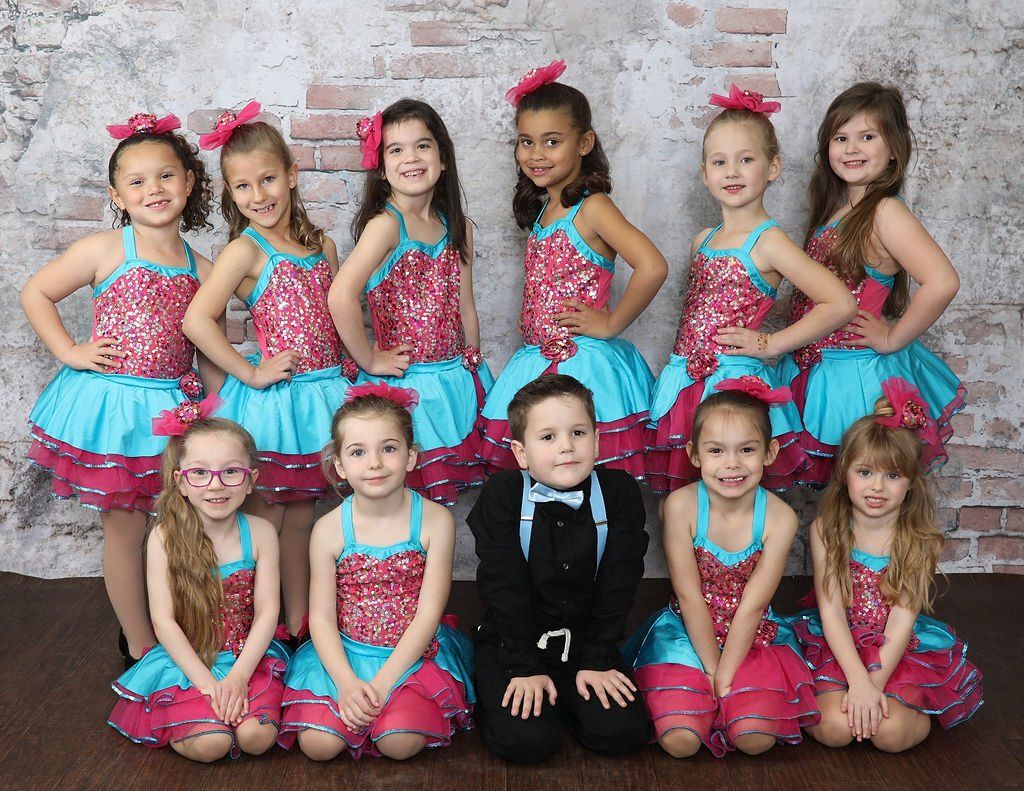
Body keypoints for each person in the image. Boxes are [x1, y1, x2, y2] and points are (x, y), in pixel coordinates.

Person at [22, 111, 215, 667]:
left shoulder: (203, 268)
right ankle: (140, 641)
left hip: (173, 412)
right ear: (117, 194)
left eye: (165, 176)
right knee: (125, 529)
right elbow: (37, 292)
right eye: (137, 181)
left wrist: (220, 413)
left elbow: (209, 350)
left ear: (189, 181)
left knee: (186, 526)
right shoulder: (106, 249)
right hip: (114, 408)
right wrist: (70, 351)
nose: (153, 189)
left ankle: (184, 625)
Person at [184, 101, 351, 640]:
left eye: (268, 180)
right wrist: (251, 373)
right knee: (266, 519)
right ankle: (256, 624)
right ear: (230, 194)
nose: (259, 196)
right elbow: (197, 320)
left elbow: (340, 311)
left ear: (292, 175)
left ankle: (301, 625)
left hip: (324, 393)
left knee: (306, 517)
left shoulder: (320, 245)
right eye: (242, 187)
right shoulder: (243, 250)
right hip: (278, 401)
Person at [646, 86, 855, 494]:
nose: (732, 172)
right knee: (692, 492)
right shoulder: (702, 239)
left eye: (746, 160)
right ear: (705, 173)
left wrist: (772, 343)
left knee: (736, 485)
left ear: (773, 167)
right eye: (720, 162)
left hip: (735, 383)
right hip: (686, 380)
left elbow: (840, 302)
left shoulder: (769, 241)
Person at [477, 60, 668, 479]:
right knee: (543, 473)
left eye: (551, 141)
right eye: (526, 141)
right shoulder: (546, 208)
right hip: (535, 360)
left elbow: (652, 265)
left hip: (583, 363)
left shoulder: (593, 206)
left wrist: (612, 322)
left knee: (584, 470)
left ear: (584, 143)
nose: (535, 154)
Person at [776, 82, 965, 485]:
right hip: (816, 370)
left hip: (855, 376)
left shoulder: (885, 211)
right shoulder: (838, 211)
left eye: (867, 137)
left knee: (865, 489)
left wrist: (892, 337)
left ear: (894, 148)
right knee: (840, 497)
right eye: (841, 138)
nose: (852, 148)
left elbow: (943, 281)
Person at [624, 378, 819, 757]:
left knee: (755, 741)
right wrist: (710, 669)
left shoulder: (779, 519)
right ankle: (695, 697)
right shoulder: (681, 507)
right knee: (680, 743)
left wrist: (725, 675)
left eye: (746, 449)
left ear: (770, 452)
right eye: (716, 451)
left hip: (751, 636)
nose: (731, 464)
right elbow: (689, 593)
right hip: (687, 631)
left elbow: (752, 605)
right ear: (694, 455)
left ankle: (737, 700)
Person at [279, 382, 474, 760]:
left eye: (388, 448)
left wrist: (384, 684)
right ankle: (350, 701)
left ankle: (391, 709)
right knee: (319, 746)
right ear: (339, 466)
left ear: (411, 456)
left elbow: (428, 614)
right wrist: (347, 684)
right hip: (345, 653)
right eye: (358, 452)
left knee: (399, 744)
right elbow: (320, 617)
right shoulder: (329, 529)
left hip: (411, 654)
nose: (374, 463)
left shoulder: (435, 521)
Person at [789, 379, 983, 752]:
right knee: (834, 730)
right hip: (839, 640)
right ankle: (853, 702)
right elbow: (831, 614)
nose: (876, 487)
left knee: (891, 737)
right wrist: (856, 682)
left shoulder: (917, 540)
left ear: (910, 483)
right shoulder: (826, 530)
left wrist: (871, 688)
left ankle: (911, 707)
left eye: (892, 476)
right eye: (865, 472)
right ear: (844, 472)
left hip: (896, 646)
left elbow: (901, 620)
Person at [470, 373, 651, 763]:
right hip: (514, 644)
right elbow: (504, 587)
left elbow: (619, 584)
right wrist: (523, 666)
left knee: (623, 732)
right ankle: (498, 692)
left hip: (587, 642)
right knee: (526, 742)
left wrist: (598, 658)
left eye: (578, 433)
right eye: (548, 437)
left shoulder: (618, 493)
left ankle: (571, 697)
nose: (567, 447)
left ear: (598, 440)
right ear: (521, 454)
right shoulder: (503, 495)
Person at [329, 99, 492, 506]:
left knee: (439, 498)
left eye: (422, 146)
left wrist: (472, 362)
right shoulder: (386, 225)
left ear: (443, 158)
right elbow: (340, 295)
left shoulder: (458, 227)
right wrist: (368, 359)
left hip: (453, 379)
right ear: (382, 169)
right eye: (396, 150)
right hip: (407, 385)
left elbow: (464, 303)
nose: (411, 158)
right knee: (399, 492)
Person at [108, 408, 288, 762]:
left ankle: (229, 710)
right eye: (201, 473)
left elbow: (268, 611)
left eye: (231, 472)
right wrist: (209, 686)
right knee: (212, 745)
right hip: (189, 662)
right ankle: (193, 721)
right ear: (181, 482)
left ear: (251, 480)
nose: (216, 484)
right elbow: (164, 621)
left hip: (246, 658)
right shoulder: (164, 536)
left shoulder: (261, 533)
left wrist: (237, 678)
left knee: (256, 738)